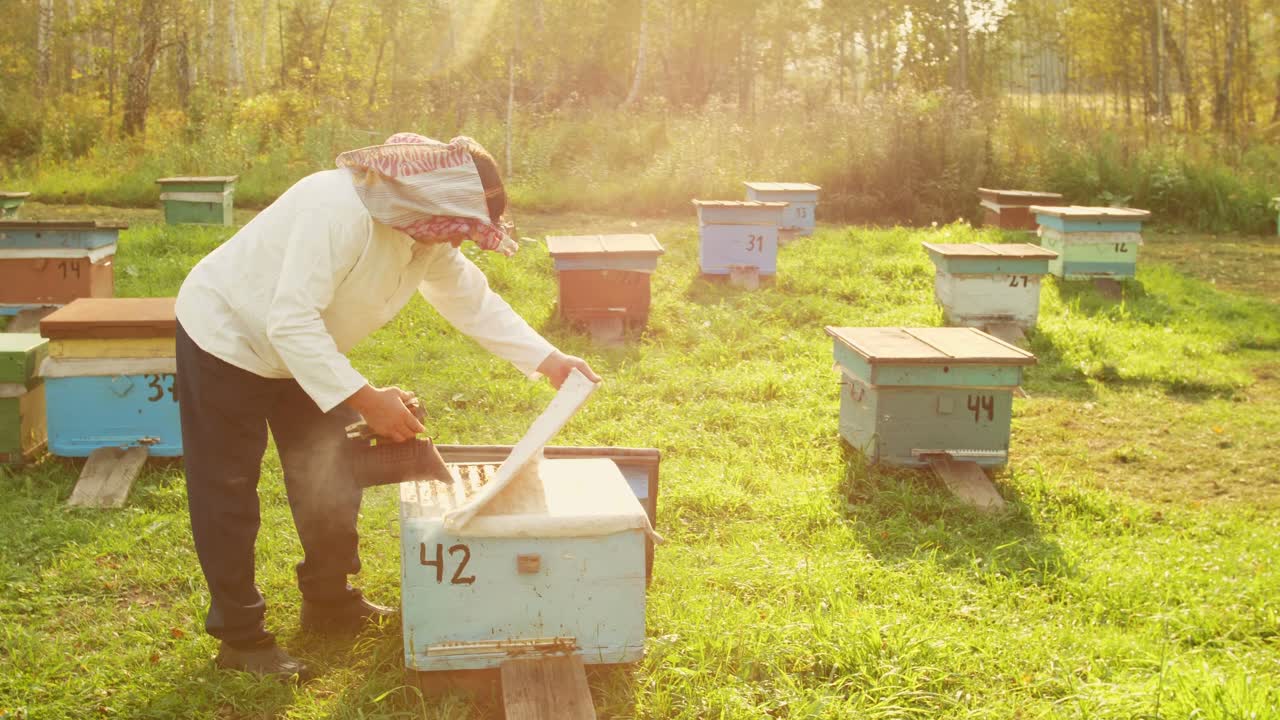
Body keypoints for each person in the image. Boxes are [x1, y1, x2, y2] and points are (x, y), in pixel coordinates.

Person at [173, 133, 599, 680]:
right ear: (431, 201)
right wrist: (366, 399)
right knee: (227, 490)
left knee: (330, 474)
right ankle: (240, 636)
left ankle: (330, 600)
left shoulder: (425, 232)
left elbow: (467, 297)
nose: (460, 241)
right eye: (462, 226)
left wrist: (548, 360)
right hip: (227, 338)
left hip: (306, 344)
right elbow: (289, 321)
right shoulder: (336, 210)